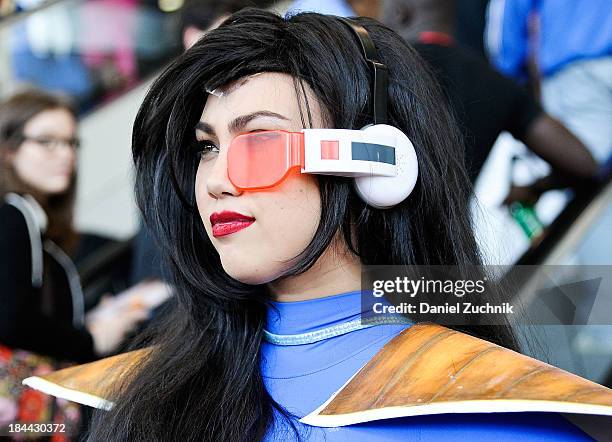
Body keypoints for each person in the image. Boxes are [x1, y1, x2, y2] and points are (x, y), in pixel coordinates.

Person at [21, 10, 612, 441]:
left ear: (376, 164)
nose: (217, 180)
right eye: (204, 147)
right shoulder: (146, 386)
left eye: (259, 141)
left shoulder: (492, 408)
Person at [380, 0, 598, 197]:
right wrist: (534, 188)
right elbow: (583, 164)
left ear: (400, 13)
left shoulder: (385, 75)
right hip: (447, 237)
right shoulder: (494, 81)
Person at [0, 90, 151, 363]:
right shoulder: (16, 212)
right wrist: (91, 340)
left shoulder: (28, 218)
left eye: (71, 143)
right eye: (47, 141)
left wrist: (93, 322)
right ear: (9, 150)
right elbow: (12, 321)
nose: (65, 155)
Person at [486, 0, 612, 164]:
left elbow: (507, 49)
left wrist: (503, 84)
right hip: (585, 76)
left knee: (584, 171)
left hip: (576, 79)